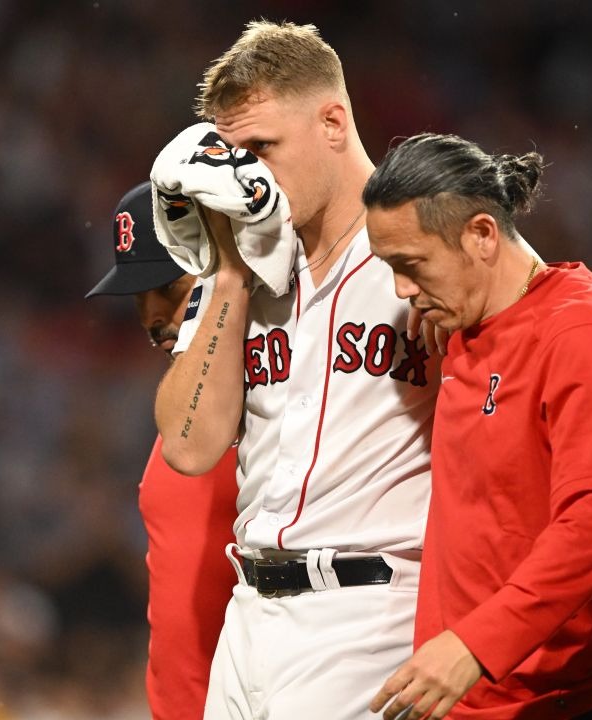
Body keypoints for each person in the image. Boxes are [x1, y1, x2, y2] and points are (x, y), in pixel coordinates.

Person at [153, 21, 440, 720]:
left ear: (334, 122)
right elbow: (189, 448)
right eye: (234, 155)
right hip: (248, 612)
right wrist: (227, 271)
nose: (248, 175)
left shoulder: (427, 247)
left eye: (263, 149)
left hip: (372, 611)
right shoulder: (247, 273)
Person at [362, 133, 592, 720]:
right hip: (484, 700)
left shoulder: (582, 332)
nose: (401, 290)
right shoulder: (465, 324)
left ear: (482, 235)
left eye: (411, 265)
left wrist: (475, 642)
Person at [86, 181, 239, 720]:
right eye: (137, 292)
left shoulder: (286, 400)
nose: (152, 315)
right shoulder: (185, 410)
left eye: (169, 286)